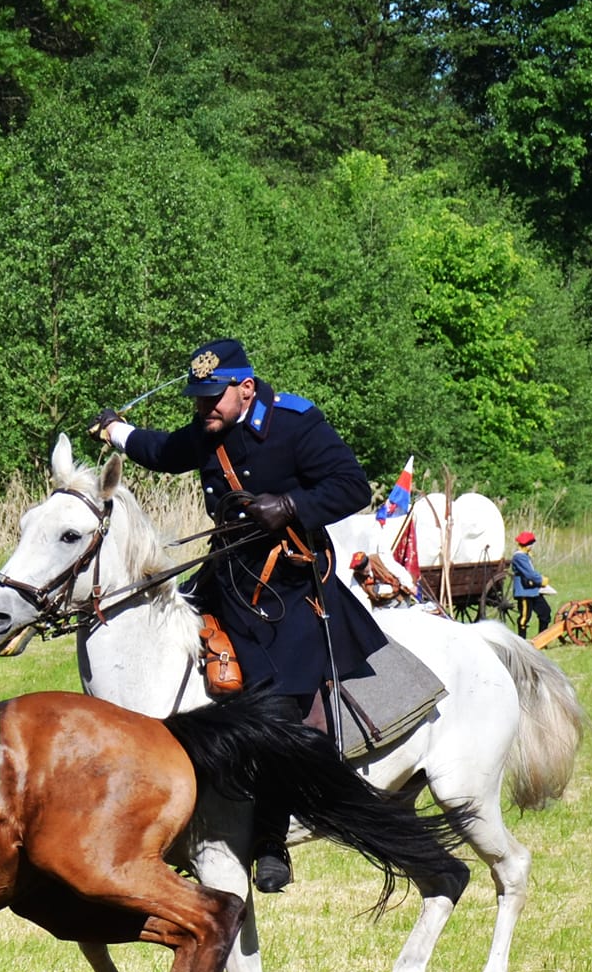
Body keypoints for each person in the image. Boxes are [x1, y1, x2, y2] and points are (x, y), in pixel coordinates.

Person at [97, 338, 390, 892]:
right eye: (198, 400)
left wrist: (291, 506)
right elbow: (163, 451)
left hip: (291, 582)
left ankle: (270, 838)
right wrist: (116, 432)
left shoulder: (297, 423)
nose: (203, 408)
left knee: (276, 707)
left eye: (213, 397)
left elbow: (352, 485)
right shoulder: (211, 426)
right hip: (228, 575)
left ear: (246, 388)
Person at [509, 530, 551, 639]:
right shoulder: (519, 557)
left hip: (533, 591)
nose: (531, 546)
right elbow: (529, 574)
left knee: (545, 612)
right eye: (531, 544)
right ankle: (521, 639)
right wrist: (541, 580)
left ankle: (542, 638)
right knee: (524, 618)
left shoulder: (525, 555)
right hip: (524, 592)